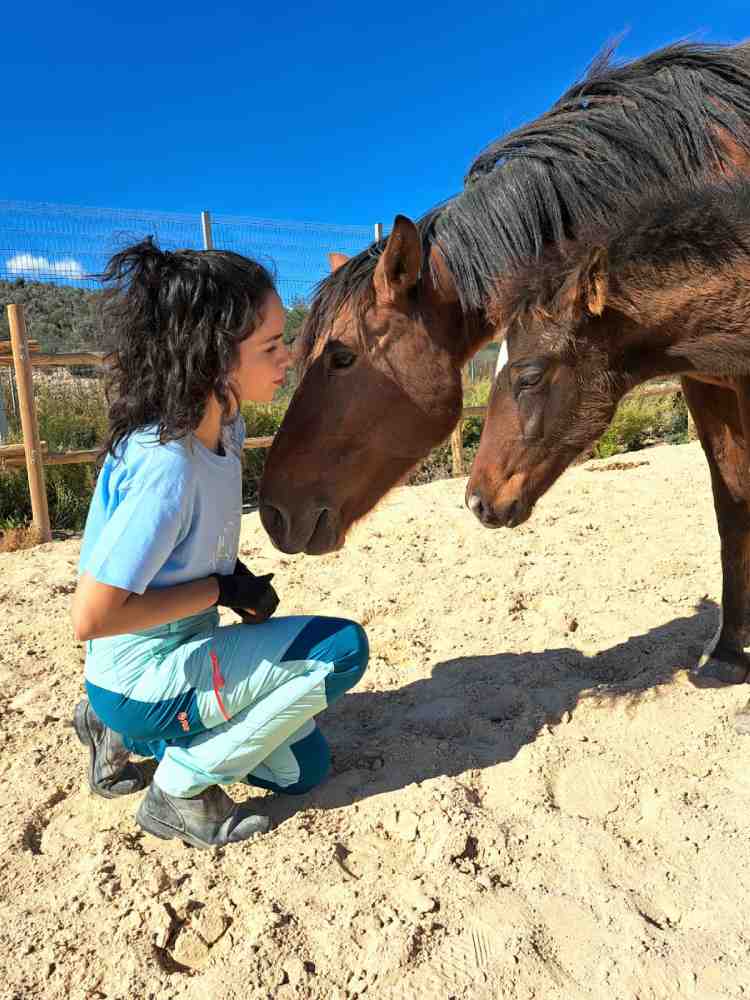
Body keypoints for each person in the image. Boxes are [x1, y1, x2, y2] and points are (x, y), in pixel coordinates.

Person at [70, 239, 368, 849]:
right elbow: (93, 617)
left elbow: (190, 542)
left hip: (183, 653)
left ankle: (119, 734)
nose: (289, 357)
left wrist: (236, 581)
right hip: (142, 674)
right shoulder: (166, 467)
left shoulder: (223, 425)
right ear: (214, 359)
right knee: (341, 650)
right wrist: (217, 588)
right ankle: (176, 788)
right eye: (271, 345)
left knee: (302, 771)